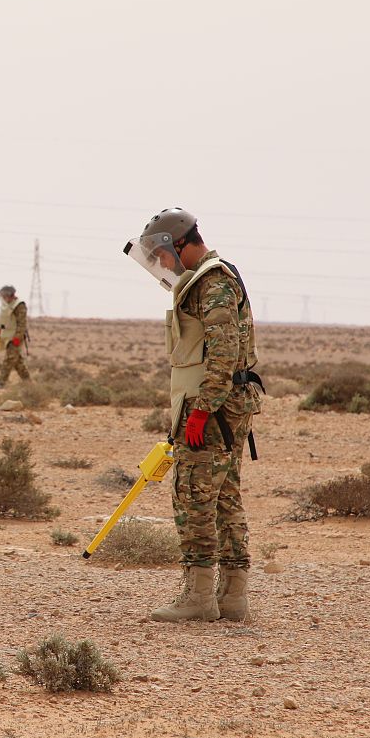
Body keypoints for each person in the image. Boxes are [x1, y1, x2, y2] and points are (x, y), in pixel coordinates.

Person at [123, 208, 262, 621]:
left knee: (194, 497)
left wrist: (201, 411)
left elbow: (224, 353)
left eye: (162, 256)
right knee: (224, 498)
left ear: (176, 244)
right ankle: (232, 597)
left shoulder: (212, 282)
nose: (162, 264)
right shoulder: (210, 279)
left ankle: (200, 598)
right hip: (224, 406)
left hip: (212, 409)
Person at [0, 284, 30, 387]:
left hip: (14, 337)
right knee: (18, 363)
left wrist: (17, 337)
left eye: (4, 296)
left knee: (9, 359)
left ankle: (1, 383)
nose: (2, 298)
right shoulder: (7, 305)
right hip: (7, 336)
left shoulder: (19, 305)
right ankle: (29, 384)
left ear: (10, 296)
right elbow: (5, 320)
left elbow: (22, 323)